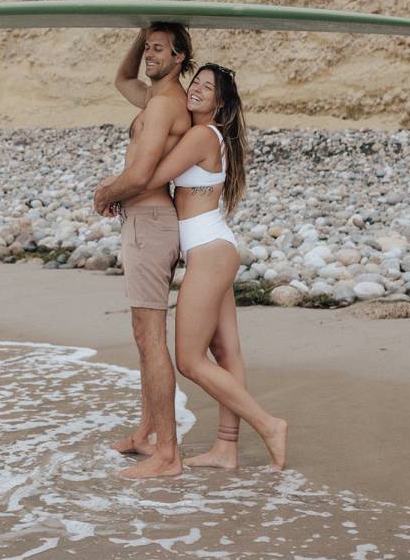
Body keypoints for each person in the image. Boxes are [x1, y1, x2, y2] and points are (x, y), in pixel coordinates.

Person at [101, 63, 288, 472]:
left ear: (219, 103)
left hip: (207, 251)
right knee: (225, 351)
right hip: (215, 246)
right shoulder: (209, 134)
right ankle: (226, 447)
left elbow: (151, 175)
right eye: (196, 82)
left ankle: (268, 424)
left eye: (207, 87)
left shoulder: (202, 135)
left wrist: (112, 191)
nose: (197, 89)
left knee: (190, 360)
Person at [92, 24, 194, 478]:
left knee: (152, 338)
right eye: (148, 48)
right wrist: (143, 32)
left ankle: (167, 454)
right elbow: (122, 79)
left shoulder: (166, 105)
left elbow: (142, 173)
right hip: (143, 223)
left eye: (159, 49)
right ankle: (147, 432)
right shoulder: (155, 99)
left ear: (179, 57)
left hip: (151, 224)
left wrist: (105, 193)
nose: (150, 55)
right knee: (142, 334)